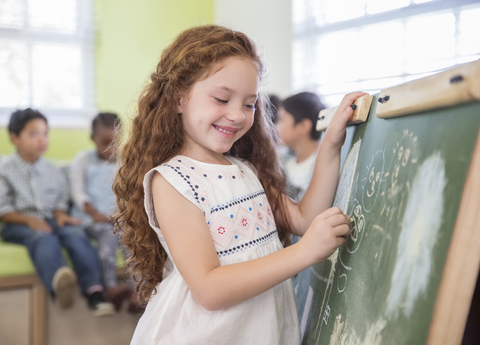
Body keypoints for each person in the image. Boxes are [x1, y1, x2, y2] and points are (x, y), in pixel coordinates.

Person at [112, 24, 365, 344]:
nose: (237, 115)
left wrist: (330, 145)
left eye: (249, 104)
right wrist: (304, 253)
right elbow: (210, 290)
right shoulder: (173, 181)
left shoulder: (245, 170)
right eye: (221, 98)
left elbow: (305, 219)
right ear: (179, 98)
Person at [0, 108, 115, 317]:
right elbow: (2, 208)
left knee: (75, 234)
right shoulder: (4, 169)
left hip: (51, 219)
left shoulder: (53, 170)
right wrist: (29, 220)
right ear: (14, 138)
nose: (42, 139)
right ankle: (59, 283)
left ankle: (94, 291)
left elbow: (61, 199)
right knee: (43, 238)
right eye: (33, 134)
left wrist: (61, 214)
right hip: (19, 223)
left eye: (45, 133)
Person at [70, 112, 139, 313]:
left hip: (117, 217)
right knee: (108, 236)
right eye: (104, 143)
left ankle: (138, 292)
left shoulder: (124, 161)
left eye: (114, 143)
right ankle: (111, 288)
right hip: (91, 218)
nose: (110, 150)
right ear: (93, 138)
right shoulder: (84, 160)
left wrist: (125, 214)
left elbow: (129, 192)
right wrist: (95, 214)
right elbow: (77, 191)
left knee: (133, 238)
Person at [276, 92, 327, 203]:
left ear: (303, 126)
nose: (276, 127)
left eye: (281, 120)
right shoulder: (280, 163)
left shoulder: (326, 163)